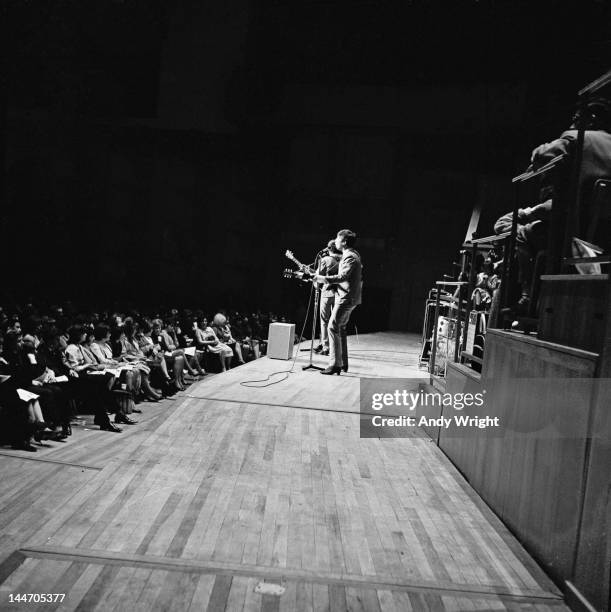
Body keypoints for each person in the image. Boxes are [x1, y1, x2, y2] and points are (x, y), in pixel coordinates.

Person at [313, 229, 363, 375]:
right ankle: (342, 364)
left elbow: (343, 276)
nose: (335, 240)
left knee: (332, 327)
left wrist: (322, 279)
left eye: (337, 238)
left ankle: (334, 364)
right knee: (339, 329)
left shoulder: (350, 257)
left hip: (346, 298)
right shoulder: (352, 255)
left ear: (344, 242)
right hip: (349, 297)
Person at [314, 239, 342, 356]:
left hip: (327, 293)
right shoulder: (343, 260)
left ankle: (325, 347)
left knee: (324, 321)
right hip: (339, 294)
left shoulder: (325, 260)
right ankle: (333, 347)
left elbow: (317, 277)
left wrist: (316, 284)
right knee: (335, 322)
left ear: (329, 249)